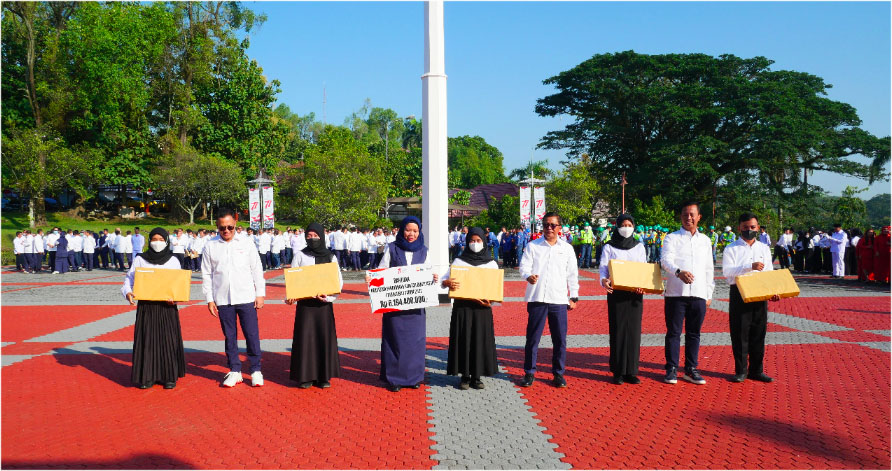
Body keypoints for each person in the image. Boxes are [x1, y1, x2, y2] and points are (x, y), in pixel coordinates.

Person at [201, 208, 266, 388]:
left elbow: (256, 269)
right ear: (217, 227)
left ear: (236, 224)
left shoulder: (247, 243)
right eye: (222, 228)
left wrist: (260, 293)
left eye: (230, 227)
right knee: (229, 336)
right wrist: (209, 298)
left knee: (252, 334)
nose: (226, 231)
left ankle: (255, 369)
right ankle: (235, 370)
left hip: (246, 296)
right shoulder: (210, 246)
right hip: (223, 298)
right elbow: (207, 274)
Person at [373, 216, 438, 392]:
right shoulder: (392, 248)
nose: (411, 234)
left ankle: (414, 377)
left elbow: (429, 271)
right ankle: (394, 379)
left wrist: (433, 278)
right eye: (408, 230)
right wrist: (374, 278)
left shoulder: (424, 251)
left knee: (415, 342)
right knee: (394, 340)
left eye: (415, 231)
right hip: (395, 307)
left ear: (419, 232)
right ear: (402, 230)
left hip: (416, 308)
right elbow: (382, 270)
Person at [518, 212, 580, 388]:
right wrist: (528, 276)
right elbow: (524, 266)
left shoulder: (566, 249)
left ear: (559, 228)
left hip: (559, 299)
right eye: (546, 225)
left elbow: (572, 275)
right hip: (537, 297)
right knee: (533, 338)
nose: (549, 228)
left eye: (553, 225)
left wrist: (573, 296)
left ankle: (558, 374)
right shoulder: (533, 246)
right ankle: (529, 373)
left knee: (559, 339)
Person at [121, 227, 186, 389]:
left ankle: (168, 376)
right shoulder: (140, 259)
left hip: (167, 307)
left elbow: (178, 284)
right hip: (147, 307)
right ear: (149, 241)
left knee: (167, 340)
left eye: (161, 240)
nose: (157, 243)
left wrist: (176, 298)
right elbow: (129, 279)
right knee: (147, 340)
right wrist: (128, 292)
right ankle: (147, 376)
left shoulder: (173, 260)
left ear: (167, 241)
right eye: (154, 239)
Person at [660, 201, 714, 385]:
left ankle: (691, 369)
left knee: (694, 333)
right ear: (680, 216)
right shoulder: (671, 238)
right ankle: (671, 368)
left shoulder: (705, 240)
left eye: (692, 214)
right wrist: (678, 272)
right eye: (685, 214)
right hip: (676, 293)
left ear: (699, 217)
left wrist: (709, 294)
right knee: (674, 333)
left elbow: (709, 268)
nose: (688, 218)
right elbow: (665, 260)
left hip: (699, 294)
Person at [722, 213, 779, 383]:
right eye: (745, 227)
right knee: (740, 333)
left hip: (760, 293)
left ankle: (757, 370)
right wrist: (749, 267)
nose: (749, 230)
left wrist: (774, 290)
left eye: (753, 227)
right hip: (739, 292)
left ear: (758, 227)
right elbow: (727, 273)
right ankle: (741, 371)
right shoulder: (731, 248)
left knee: (758, 332)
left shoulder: (763, 248)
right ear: (739, 227)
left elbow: (769, 272)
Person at [286, 223, 344, 389]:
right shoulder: (300, 255)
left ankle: (323, 377)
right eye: (309, 236)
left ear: (322, 236)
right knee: (306, 339)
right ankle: (305, 376)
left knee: (323, 338)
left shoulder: (330, 256)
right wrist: (292, 296)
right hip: (305, 306)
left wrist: (329, 296)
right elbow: (293, 279)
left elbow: (338, 280)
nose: (312, 239)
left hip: (323, 306)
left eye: (315, 235)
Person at [441, 227, 499, 390]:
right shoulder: (459, 261)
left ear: (484, 242)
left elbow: (495, 287)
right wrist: (446, 283)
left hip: (483, 309)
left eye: (478, 240)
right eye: (472, 241)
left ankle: (477, 377)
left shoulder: (491, 264)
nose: (475, 243)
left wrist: (491, 300)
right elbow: (446, 279)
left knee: (480, 340)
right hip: (463, 308)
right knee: (464, 339)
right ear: (467, 242)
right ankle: (464, 376)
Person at [599, 214, 647, 385]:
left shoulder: (639, 247)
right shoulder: (609, 246)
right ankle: (618, 371)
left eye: (629, 224)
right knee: (618, 329)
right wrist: (604, 281)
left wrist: (644, 285)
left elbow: (643, 269)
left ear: (634, 227)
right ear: (617, 226)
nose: (626, 228)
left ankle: (631, 371)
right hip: (616, 293)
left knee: (634, 331)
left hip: (635, 293)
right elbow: (604, 269)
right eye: (623, 224)